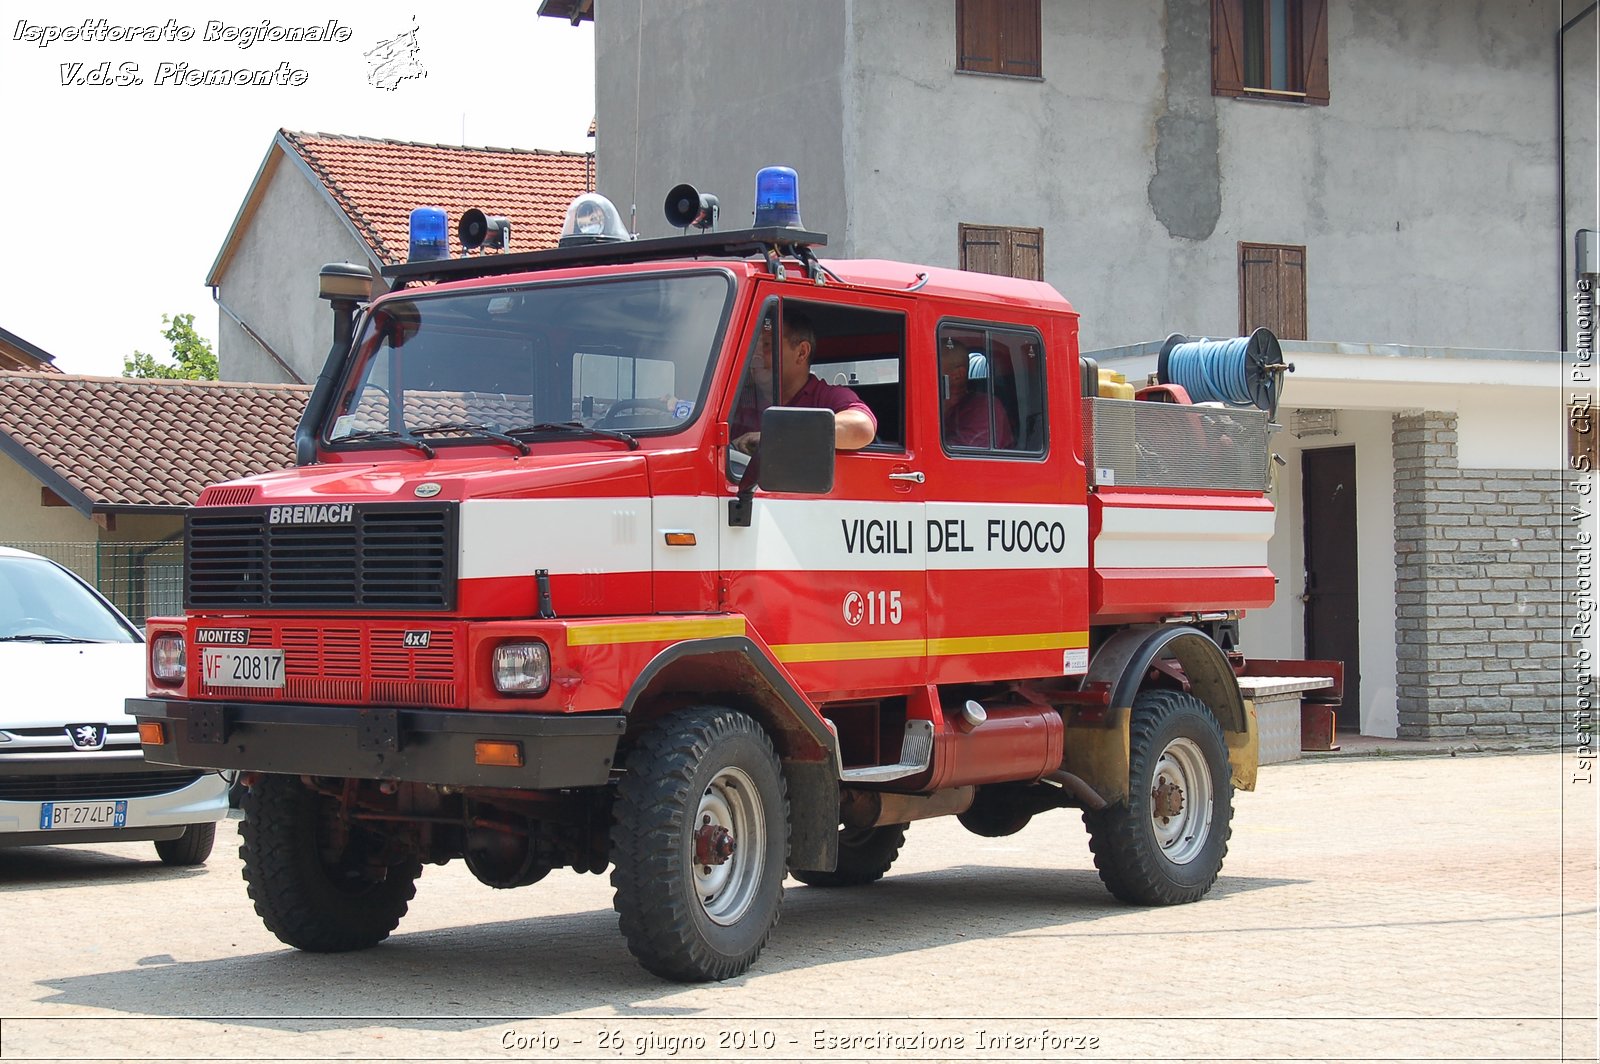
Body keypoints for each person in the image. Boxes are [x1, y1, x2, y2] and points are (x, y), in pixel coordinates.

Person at [731, 309, 876, 454]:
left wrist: (778, 436)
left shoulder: (826, 397)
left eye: (766, 345)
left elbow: (862, 428)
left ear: (801, 352)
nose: (755, 356)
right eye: (752, 347)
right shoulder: (736, 403)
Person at [941, 343, 1014, 449]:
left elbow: (961, 452)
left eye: (935, 370)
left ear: (958, 374)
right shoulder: (947, 404)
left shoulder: (985, 407)